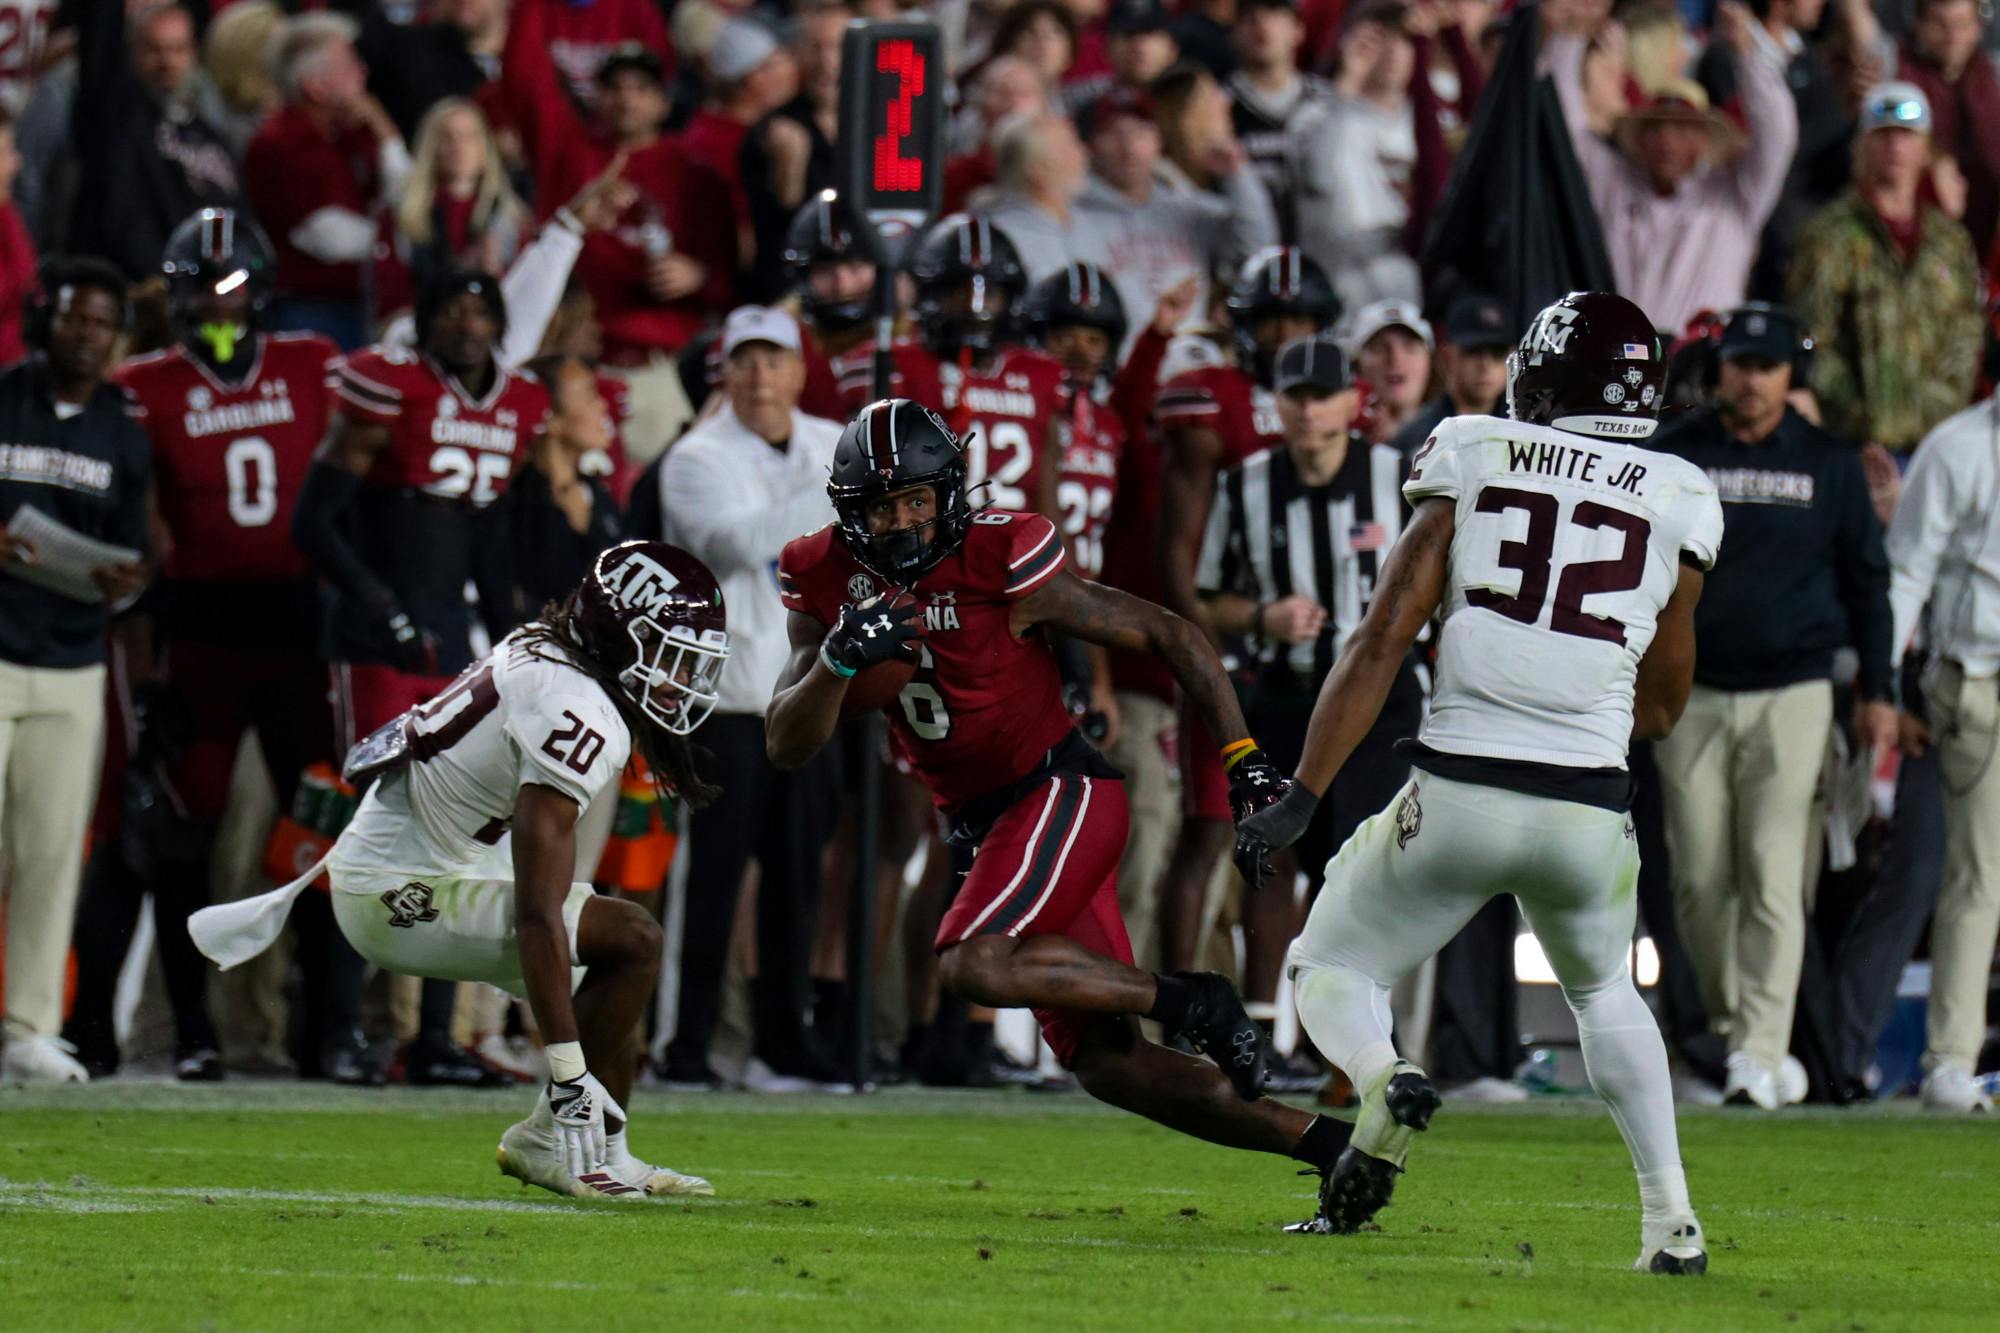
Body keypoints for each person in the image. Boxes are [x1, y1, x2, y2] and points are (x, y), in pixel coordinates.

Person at [1238, 292, 1722, 1275]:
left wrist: (1300, 789)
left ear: (1541, 380)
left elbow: (1379, 638)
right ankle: (1669, 1221)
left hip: (1456, 786)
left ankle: (1383, 1078)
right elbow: (1665, 699)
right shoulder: (1679, 491)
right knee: (1603, 994)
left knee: (1329, 965)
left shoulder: (1471, 447)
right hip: (1587, 802)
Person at [767, 398, 1360, 1193]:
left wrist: (1243, 757)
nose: (906, 522)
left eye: (918, 499)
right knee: (1113, 1066)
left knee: (975, 962)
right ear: (851, 514)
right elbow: (786, 741)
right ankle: (1333, 1149)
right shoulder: (822, 573)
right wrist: (836, 662)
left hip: (1057, 788)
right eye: (883, 507)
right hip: (984, 824)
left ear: (950, 491)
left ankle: (1189, 998)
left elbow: (1171, 633)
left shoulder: (1000, 555)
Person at [193, 542, 724, 1201]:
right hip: (391, 888)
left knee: (615, 961)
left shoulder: (556, 647)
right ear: (620, 636)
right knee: (632, 937)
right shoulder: (576, 709)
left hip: (438, 855)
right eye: (670, 656)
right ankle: (549, 1136)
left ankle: (604, 1153)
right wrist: (564, 1072)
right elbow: (537, 910)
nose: (679, 681)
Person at [64, 211, 342, 1082]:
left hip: (300, 626)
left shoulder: (312, 365)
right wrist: (145, 657)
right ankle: (189, 1029)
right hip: (198, 631)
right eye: (198, 286)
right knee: (175, 834)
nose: (215, 302)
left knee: (322, 831)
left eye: (226, 285)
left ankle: (327, 1031)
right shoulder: (145, 386)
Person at [291, 269, 553, 1085]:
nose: (468, 324)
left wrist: (516, 632)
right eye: (452, 309)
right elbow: (314, 520)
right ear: (426, 323)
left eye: (482, 311)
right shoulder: (389, 385)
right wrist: (379, 605)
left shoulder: (519, 405)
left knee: (459, 835)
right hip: (374, 638)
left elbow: (496, 534)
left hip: (451, 642)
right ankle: (332, 1030)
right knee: (358, 823)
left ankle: (432, 1035)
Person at [1647, 302, 1895, 1109]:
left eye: (1767, 366)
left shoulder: (1829, 463)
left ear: (1792, 376)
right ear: (1717, 370)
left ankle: (1758, 1050)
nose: (1751, 380)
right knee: (1697, 876)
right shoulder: (1673, 455)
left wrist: (1878, 690)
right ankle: (1732, 1020)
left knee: (1774, 874)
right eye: (1739, 364)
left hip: (1795, 689)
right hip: (1691, 693)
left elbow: (1868, 581)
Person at [1195, 332, 1417, 1091]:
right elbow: (1205, 597)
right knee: (1269, 863)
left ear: (1354, 401)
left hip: (1380, 710)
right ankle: (1260, 1038)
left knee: (1358, 874)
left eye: (1323, 394)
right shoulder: (1245, 485)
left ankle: (1351, 1055)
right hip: (1281, 698)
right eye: (1295, 394)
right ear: (1276, 403)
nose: (1310, 409)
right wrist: (1263, 616)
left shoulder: (1399, 477)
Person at [656, 306, 847, 1090]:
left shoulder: (832, 442)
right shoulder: (695, 456)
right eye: (747, 360)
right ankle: (687, 1043)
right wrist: (846, 495)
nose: (762, 375)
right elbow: (735, 544)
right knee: (712, 879)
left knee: (797, 881)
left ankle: (781, 1039)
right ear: (723, 372)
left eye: (775, 360)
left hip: (808, 695)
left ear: (800, 370)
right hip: (725, 698)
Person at [1152, 245, 1339, 979]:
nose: (1286, 336)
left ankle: (1262, 1020)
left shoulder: (1330, 402)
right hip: (1228, 645)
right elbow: (1180, 547)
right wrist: (1200, 645)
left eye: (1300, 320)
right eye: (1272, 320)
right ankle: (1180, 1014)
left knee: (1281, 842)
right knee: (1206, 833)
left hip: (1296, 656)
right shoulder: (1210, 399)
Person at [0, 258, 151, 1085]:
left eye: (102, 324)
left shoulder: (123, 431)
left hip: (71, 660)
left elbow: (138, 546)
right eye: (75, 319)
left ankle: (28, 1024)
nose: (88, 336)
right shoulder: (2, 398)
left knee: (54, 850)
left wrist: (128, 579)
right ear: (44, 321)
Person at [1883, 373, 2000, 1113]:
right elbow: (1907, 573)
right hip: (1975, 677)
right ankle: (1952, 1061)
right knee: (1977, 874)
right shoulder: (1957, 447)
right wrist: (1885, 688)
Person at [1546, 1, 1798, 334]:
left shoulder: (1734, 197)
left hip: (1701, 365)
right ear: (1638, 142)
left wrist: (1747, 54)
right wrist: (1569, 38)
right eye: (1656, 130)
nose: (1668, 142)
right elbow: (1566, 130)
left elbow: (1777, 133)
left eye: (1681, 131)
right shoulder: (1614, 183)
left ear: (1703, 142)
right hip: (1620, 363)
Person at [834, 215, 1068, 524]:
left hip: (1015, 550)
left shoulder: (1040, 374)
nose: (975, 306)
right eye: (958, 292)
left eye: (990, 294)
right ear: (931, 293)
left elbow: (1049, 494)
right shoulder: (892, 363)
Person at [1788, 83, 1983, 454]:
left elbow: (1966, 333)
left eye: (1907, 135)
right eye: (1883, 136)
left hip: (1936, 443)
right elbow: (1811, 336)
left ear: (1926, 148)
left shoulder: (1950, 241)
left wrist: (1936, 410)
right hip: (1852, 445)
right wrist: (1860, 416)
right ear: (1862, 146)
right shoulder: (1829, 234)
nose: (1895, 147)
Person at [243, 12, 412, 349]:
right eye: (350, 65)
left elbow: (409, 196)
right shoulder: (277, 144)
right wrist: (399, 243)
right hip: (312, 311)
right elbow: (329, 237)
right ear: (315, 85)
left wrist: (386, 134)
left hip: (367, 304)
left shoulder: (355, 134)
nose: (363, 73)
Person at [1072, 87, 1277, 356]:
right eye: (1114, 134)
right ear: (1089, 145)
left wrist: (1237, 175)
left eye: (1141, 133)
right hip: (1114, 370)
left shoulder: (1187, 210)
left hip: (1190, 366)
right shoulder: (1070, 217)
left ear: (1159, 142)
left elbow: (1257, 248)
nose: (1129, 148)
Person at [69, 1, 244, 283]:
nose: (167, 62)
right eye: (154, 49)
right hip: (140, 295)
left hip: (204, 299)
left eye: (178, 49)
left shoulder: (209, 132)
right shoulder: (117, 121)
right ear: (132, 53)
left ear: (194, 53)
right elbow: (99, 63)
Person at [1290, 1, 1423, 309]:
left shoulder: (1429, 125)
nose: (1392, 51)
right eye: (1379, 39)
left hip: (1412, 297)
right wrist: (1347, 82)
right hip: (1337, 294)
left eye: (1404, 39)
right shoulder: (1315, 116)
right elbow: (1318, 174)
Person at [373, 98, 527, 329]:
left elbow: (524, 297)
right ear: (431, 146)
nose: (459, 146)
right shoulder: (401, 213)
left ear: (485, 145)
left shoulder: (511, 217)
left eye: (469, 137)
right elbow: (389, 298)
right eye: (447, 137)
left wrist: (495, 275)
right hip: (417, 333)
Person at [741, 1, 849, 305]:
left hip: (863, 286)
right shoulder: (772, 131)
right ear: (798, 54)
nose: (827, 62)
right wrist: (790, 166)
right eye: (816, 48)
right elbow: (778, 225)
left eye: (839, 48)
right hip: (792, 291)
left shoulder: (886, 127)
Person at [1227, 0, 1328, 243]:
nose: (1262, 24)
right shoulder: (1217, 106)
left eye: (1275, 13)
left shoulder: (1329, 103)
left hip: (1321, 256)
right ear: (1234, 33)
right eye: (1250, 16)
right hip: (1248, 256)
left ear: (1298, 30)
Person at [1388, 292, 1513, 457]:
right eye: (1473, 351)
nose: (1485, 365)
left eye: (1498, 353)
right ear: (1447, 357)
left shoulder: (1528, 431)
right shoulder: (1416, 439)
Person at [1345, 300, 1435, 447]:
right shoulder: (1338, 442)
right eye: (1379, 348)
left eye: (1409, 347)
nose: (1395, 360)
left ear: (1430, 361)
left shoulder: (1456, 435)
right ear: (1356, 365)